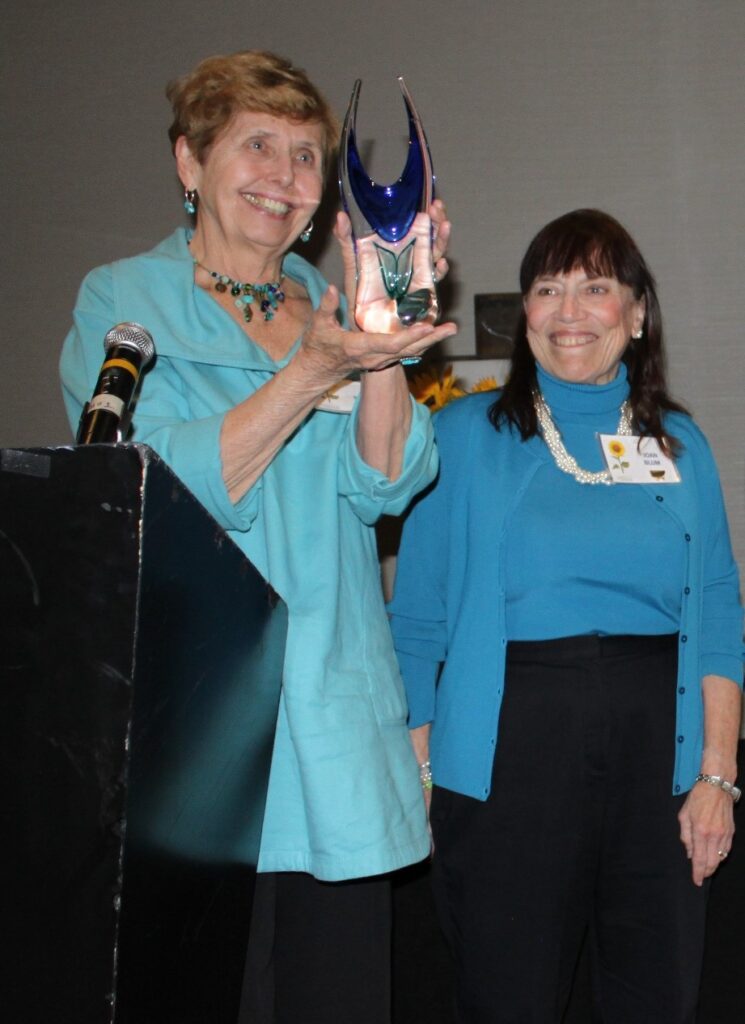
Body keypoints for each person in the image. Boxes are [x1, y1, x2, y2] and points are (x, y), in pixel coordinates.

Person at [60, 50, 456, 1023]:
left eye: (307, 156)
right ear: (189, 164)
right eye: (257, 146)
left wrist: (378, 344)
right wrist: (309, 375)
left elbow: (390, 478)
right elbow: (139, 490)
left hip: (334, 728)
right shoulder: (122, 302)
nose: (284, 175)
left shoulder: (325, 311)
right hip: (198, 743)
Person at [389, 209, 743, 1023]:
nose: (569, 310)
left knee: (654, 993)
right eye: (547, 288)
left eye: (595, 287)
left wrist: (716, 776)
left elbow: (718, 607)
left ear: (637, 311)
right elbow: (415, 624)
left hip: (664, 751)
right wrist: (421, 777)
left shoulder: (679, 441)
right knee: (508, 994)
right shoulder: (461, 435)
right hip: (510, 750)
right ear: (526, 312)